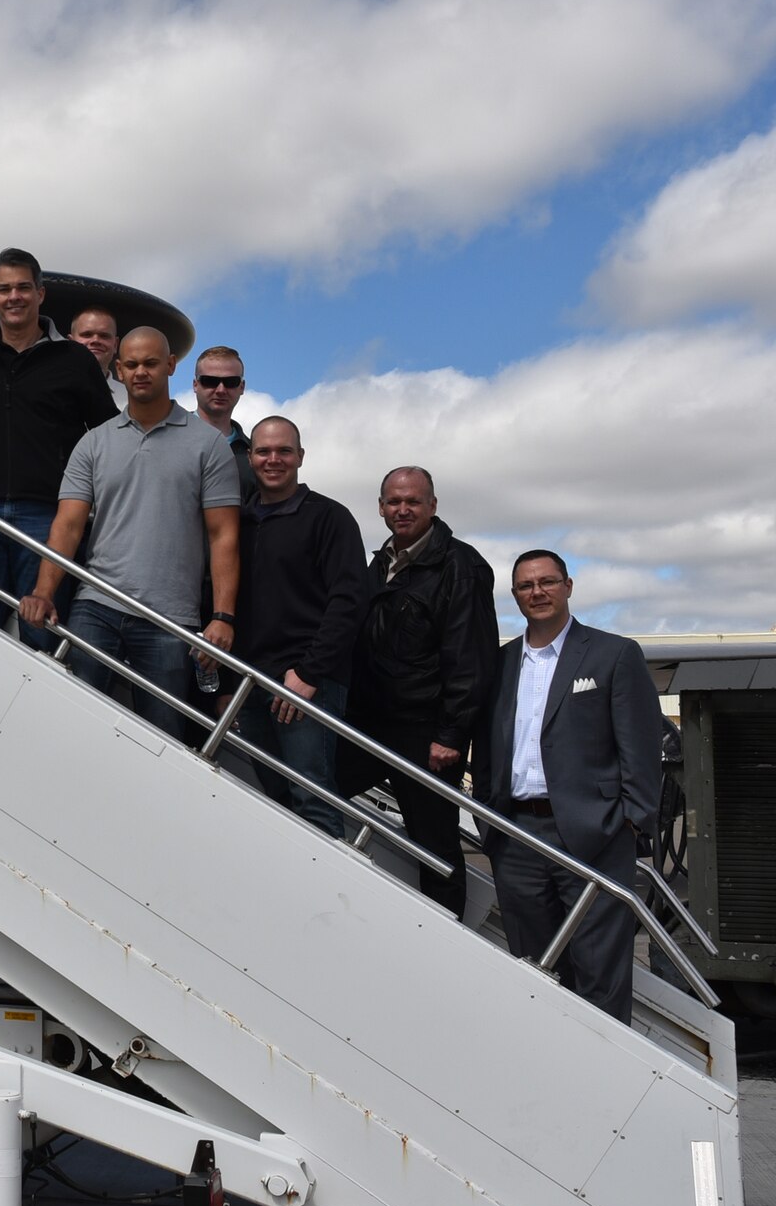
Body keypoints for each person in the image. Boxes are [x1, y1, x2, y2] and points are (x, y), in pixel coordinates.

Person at [18, 327, 240, 743]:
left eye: (151, 363)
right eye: (132, 364)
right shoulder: (94, 443)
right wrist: (44, 591)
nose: (141, 372)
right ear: (118, 370)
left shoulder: (208, 445)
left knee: (160, 741)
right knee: (73, 725)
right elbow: (67, 525)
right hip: (96, 606)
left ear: (171, 365)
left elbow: (223, 535)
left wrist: (222, 617)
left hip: (170, 620)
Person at [475, 551, 660, 1024]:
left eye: (547, 582)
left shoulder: (613, 654)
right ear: (515, 595)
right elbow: (489, 746)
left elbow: (640, 749)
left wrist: (631, 825)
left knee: (600, 973)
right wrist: (488, 822)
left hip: (594, 838)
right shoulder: (499, 663)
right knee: (535, 974)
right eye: (525, 586)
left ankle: (608, 1086)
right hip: (515, 836)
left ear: (569, 586)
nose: (537, 592)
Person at [339, 466, 500, 917]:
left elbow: (471, 657)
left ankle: (450, 937)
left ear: (432, 506)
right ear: (381, 508)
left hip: (425, 732)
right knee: (314, 790)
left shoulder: (461, 566)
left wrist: (451, 734)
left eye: (413, 501)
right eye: (394, 501)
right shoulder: (379, 564)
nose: (402, 509)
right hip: (369, 722)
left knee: (437, 846)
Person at [0, 248, 116, 649]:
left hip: (49, 518)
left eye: (24, 287)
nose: (14, 297)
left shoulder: (75, 360)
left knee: (44, 639)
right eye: (4, 289)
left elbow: (108, 437)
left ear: (41, 294)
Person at [226, 417, 369, 838]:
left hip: (307, 683)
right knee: (275, 800)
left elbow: (349, 601)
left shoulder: (330, 517)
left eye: (284, 451)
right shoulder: (238, 522)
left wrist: (309, 673)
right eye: (265, 451)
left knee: (313, 799)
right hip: (252, 680)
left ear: (300, 457)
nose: (274, 460)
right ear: (250, 457)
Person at [191, 346, 254, 502]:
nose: (220, 390)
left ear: (242, 387)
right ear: (195, 385)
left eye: (231, 382)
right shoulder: (166, 438)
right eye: (210, 381)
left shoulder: (254, 456)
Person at [69, 305, 124, 409]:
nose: (95, 340)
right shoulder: (47, 392)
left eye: (104, 336)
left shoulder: (132, 401)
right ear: (71, 342)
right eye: (87, 334)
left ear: (115, 345)